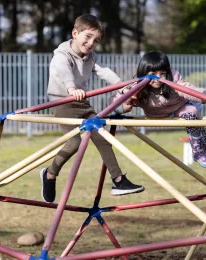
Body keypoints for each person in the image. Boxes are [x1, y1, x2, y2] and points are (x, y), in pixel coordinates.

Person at [40, 14, 144, 203]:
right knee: (73, 143)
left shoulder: (91, 57)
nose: (90, 43)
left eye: (95, 41)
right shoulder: (61, 54)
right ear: (75, 33)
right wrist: (71, 88)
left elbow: (103, 71)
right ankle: (50, 174)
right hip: (62, 102)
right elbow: (63, 70)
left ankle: (118, 180)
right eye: (87, 37)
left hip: (82, 102)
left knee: (102, 137)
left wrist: (122, 85)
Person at [111, 51, 206, 197]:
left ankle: (204, 158)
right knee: (197, 127)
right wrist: (124, 106)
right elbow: (117, 100)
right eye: (153, 73)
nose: (158, 78)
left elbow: (189, 90)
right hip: (158, 115)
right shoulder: (137, 87)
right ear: (143, 73)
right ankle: (205, 156)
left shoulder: (173, 81)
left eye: (162, 73)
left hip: (182, 108)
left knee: (193, 119)